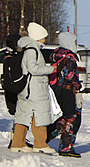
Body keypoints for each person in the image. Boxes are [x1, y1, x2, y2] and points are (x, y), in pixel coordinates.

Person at [9, 22, 58, 154]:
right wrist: (50, 69)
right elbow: (33, 68)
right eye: (43, 36)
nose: (45, 39)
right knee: (39, 115)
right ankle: (40, 144)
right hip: (35, 89)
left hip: (28, 89)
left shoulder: (29, 48)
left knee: (24, 116)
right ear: (37, 37)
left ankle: (18, 143)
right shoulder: (33, 49)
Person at [46, 32, 83, 157]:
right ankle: (65, 147)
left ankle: (45, 135)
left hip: (59, 90)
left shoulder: (58, 56)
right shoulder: (69, 58)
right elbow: (69, 75)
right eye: (74, 42)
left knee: (66, 116)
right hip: (69, 91)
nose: (76, 45)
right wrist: (77, 85)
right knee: (72, 117)